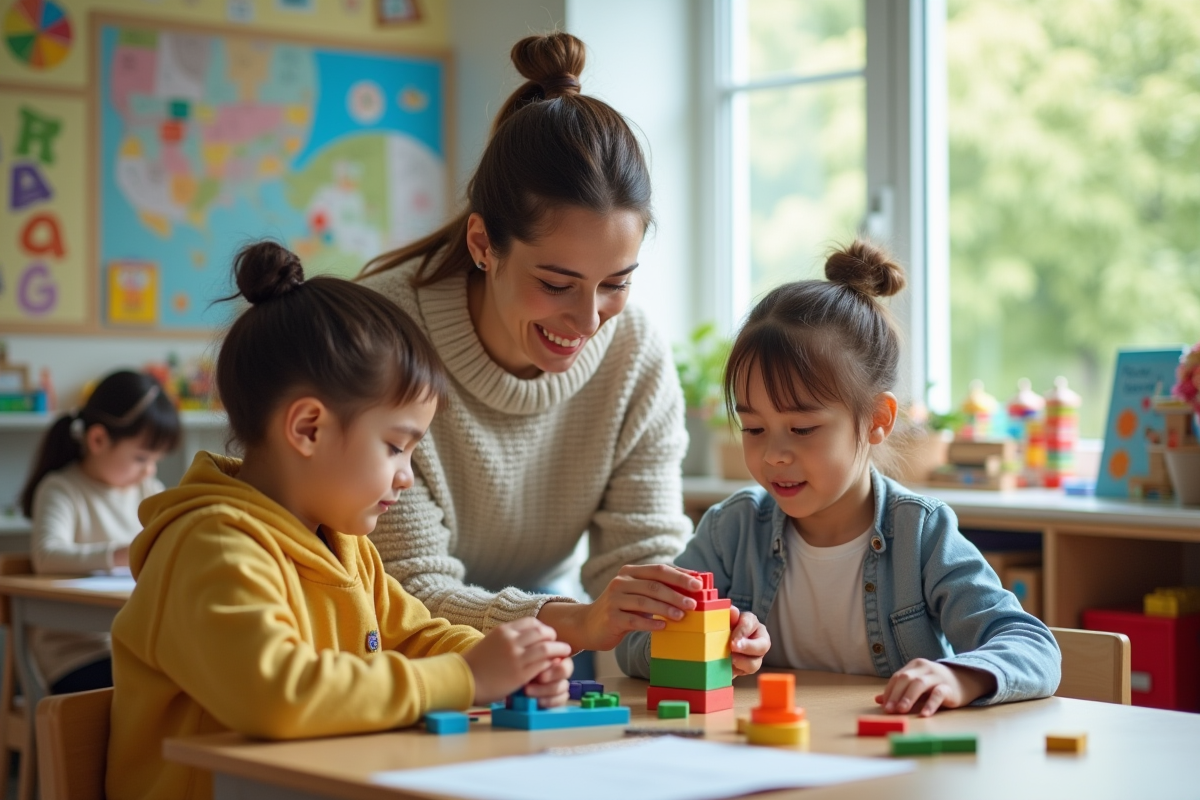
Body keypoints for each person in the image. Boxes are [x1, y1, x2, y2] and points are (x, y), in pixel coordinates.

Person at [107, 243, 573, 800]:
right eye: (396, 447)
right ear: (308, 428)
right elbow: (279, 694)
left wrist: (498, 660)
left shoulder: (344, 544)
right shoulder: (210, 547)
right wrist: (468, 679)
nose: (406, 476)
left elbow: (413, 636)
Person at [360, 32, 698, 659]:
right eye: (555, 283)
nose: (589, 318)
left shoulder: (634, 354)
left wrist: (688, 624)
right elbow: (401, 593)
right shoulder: (380, 334)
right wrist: (573, 622)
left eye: (615, 283)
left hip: (544, 646)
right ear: (484, 244)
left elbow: (643, 559)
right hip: (390, 658)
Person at [617, 240, 1061, 716]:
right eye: (754, 428)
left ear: (877, 418)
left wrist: (960, 675)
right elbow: (632, 642)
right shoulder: (733, 529)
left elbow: (1033, 645)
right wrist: (703, 642)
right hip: (772, 757)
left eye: (803, 429)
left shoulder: (921, 533)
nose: (774, 455)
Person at [19, 369, 179, 694]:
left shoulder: (146, 488)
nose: (150, 470)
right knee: (159, 689)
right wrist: (120, 554)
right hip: (76, 655)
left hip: (133, 643)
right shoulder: (62, 488)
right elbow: (46, 557)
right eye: (140, 458)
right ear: (97, 440)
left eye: (155, 460)